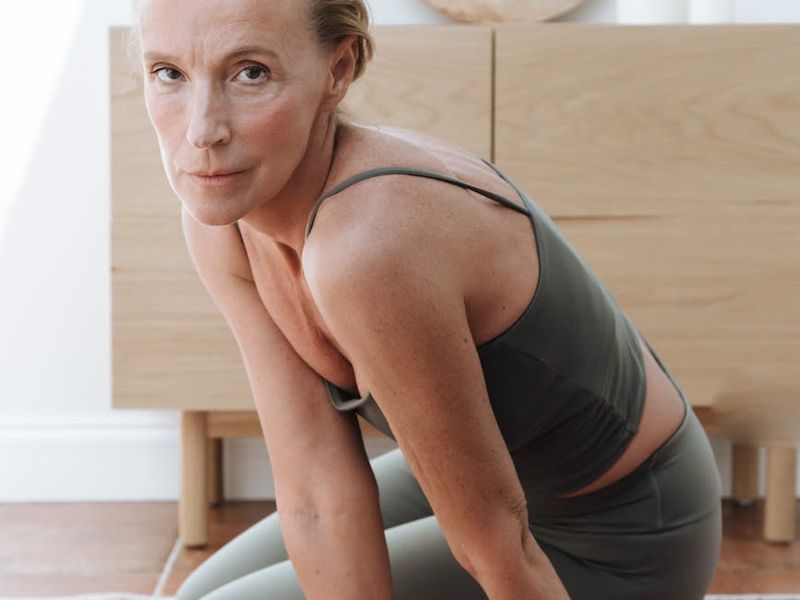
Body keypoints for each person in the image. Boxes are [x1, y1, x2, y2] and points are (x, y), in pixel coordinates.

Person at [135, 0, 722, 598]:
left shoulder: (369, 247)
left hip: (622, 529)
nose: (202, 131)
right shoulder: (223, 220)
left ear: (339, 69)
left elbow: (497, 543)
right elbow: (318, 491)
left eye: (250, 72)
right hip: (505, 481)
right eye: (169, 74)